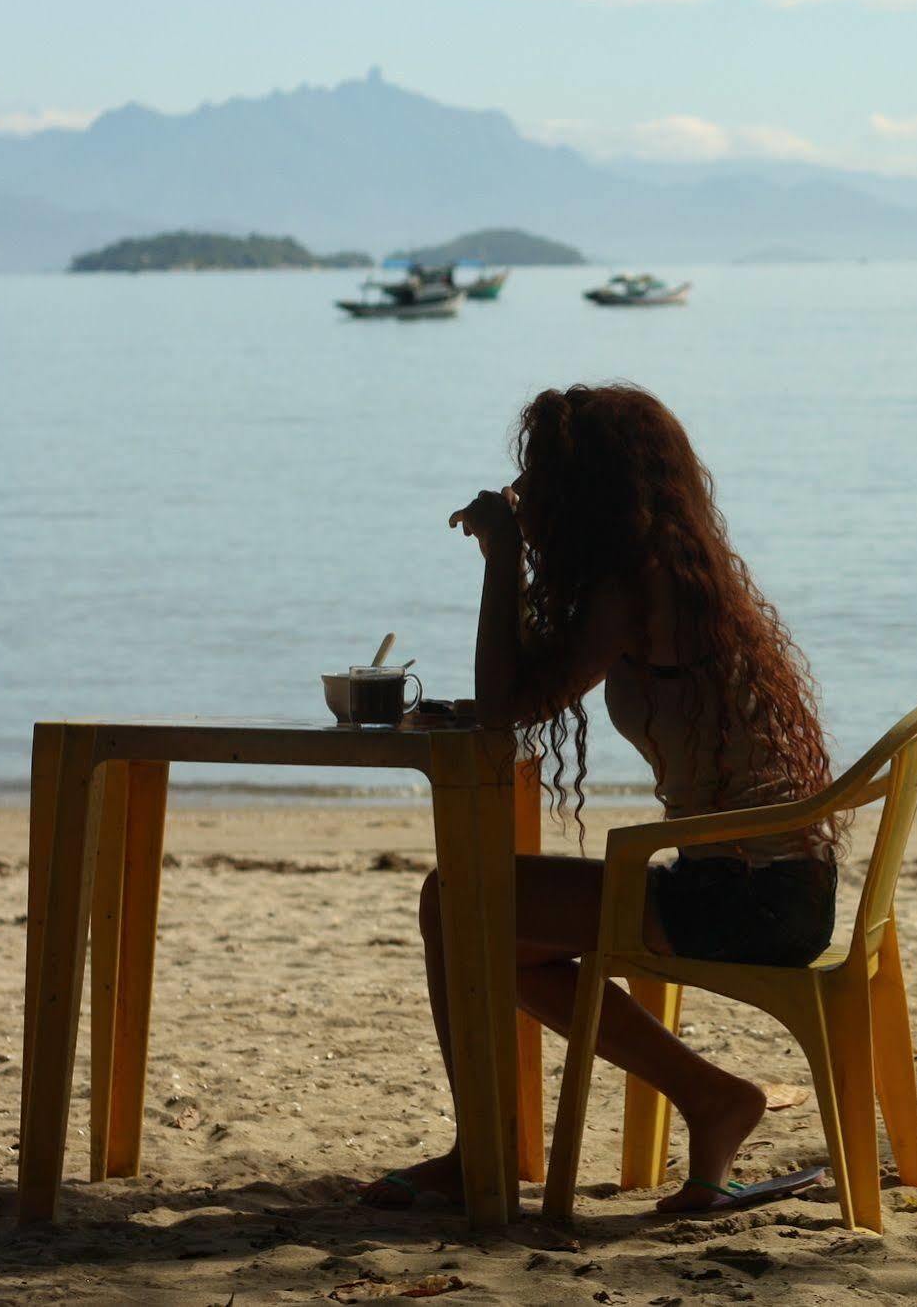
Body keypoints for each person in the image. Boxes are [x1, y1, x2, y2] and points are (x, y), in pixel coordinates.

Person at [358, 383, 841, 1212]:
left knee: (455, 899)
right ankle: (709, 1097)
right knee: (498, 930)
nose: (525, 489)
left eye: (539, 473)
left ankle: (484, 1146)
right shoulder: (672, 576)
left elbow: (510, 704)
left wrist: (505, 557)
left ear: (583, 490)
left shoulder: (632, 590)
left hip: (744, 897)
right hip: (779, 887)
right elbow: (528, 691)